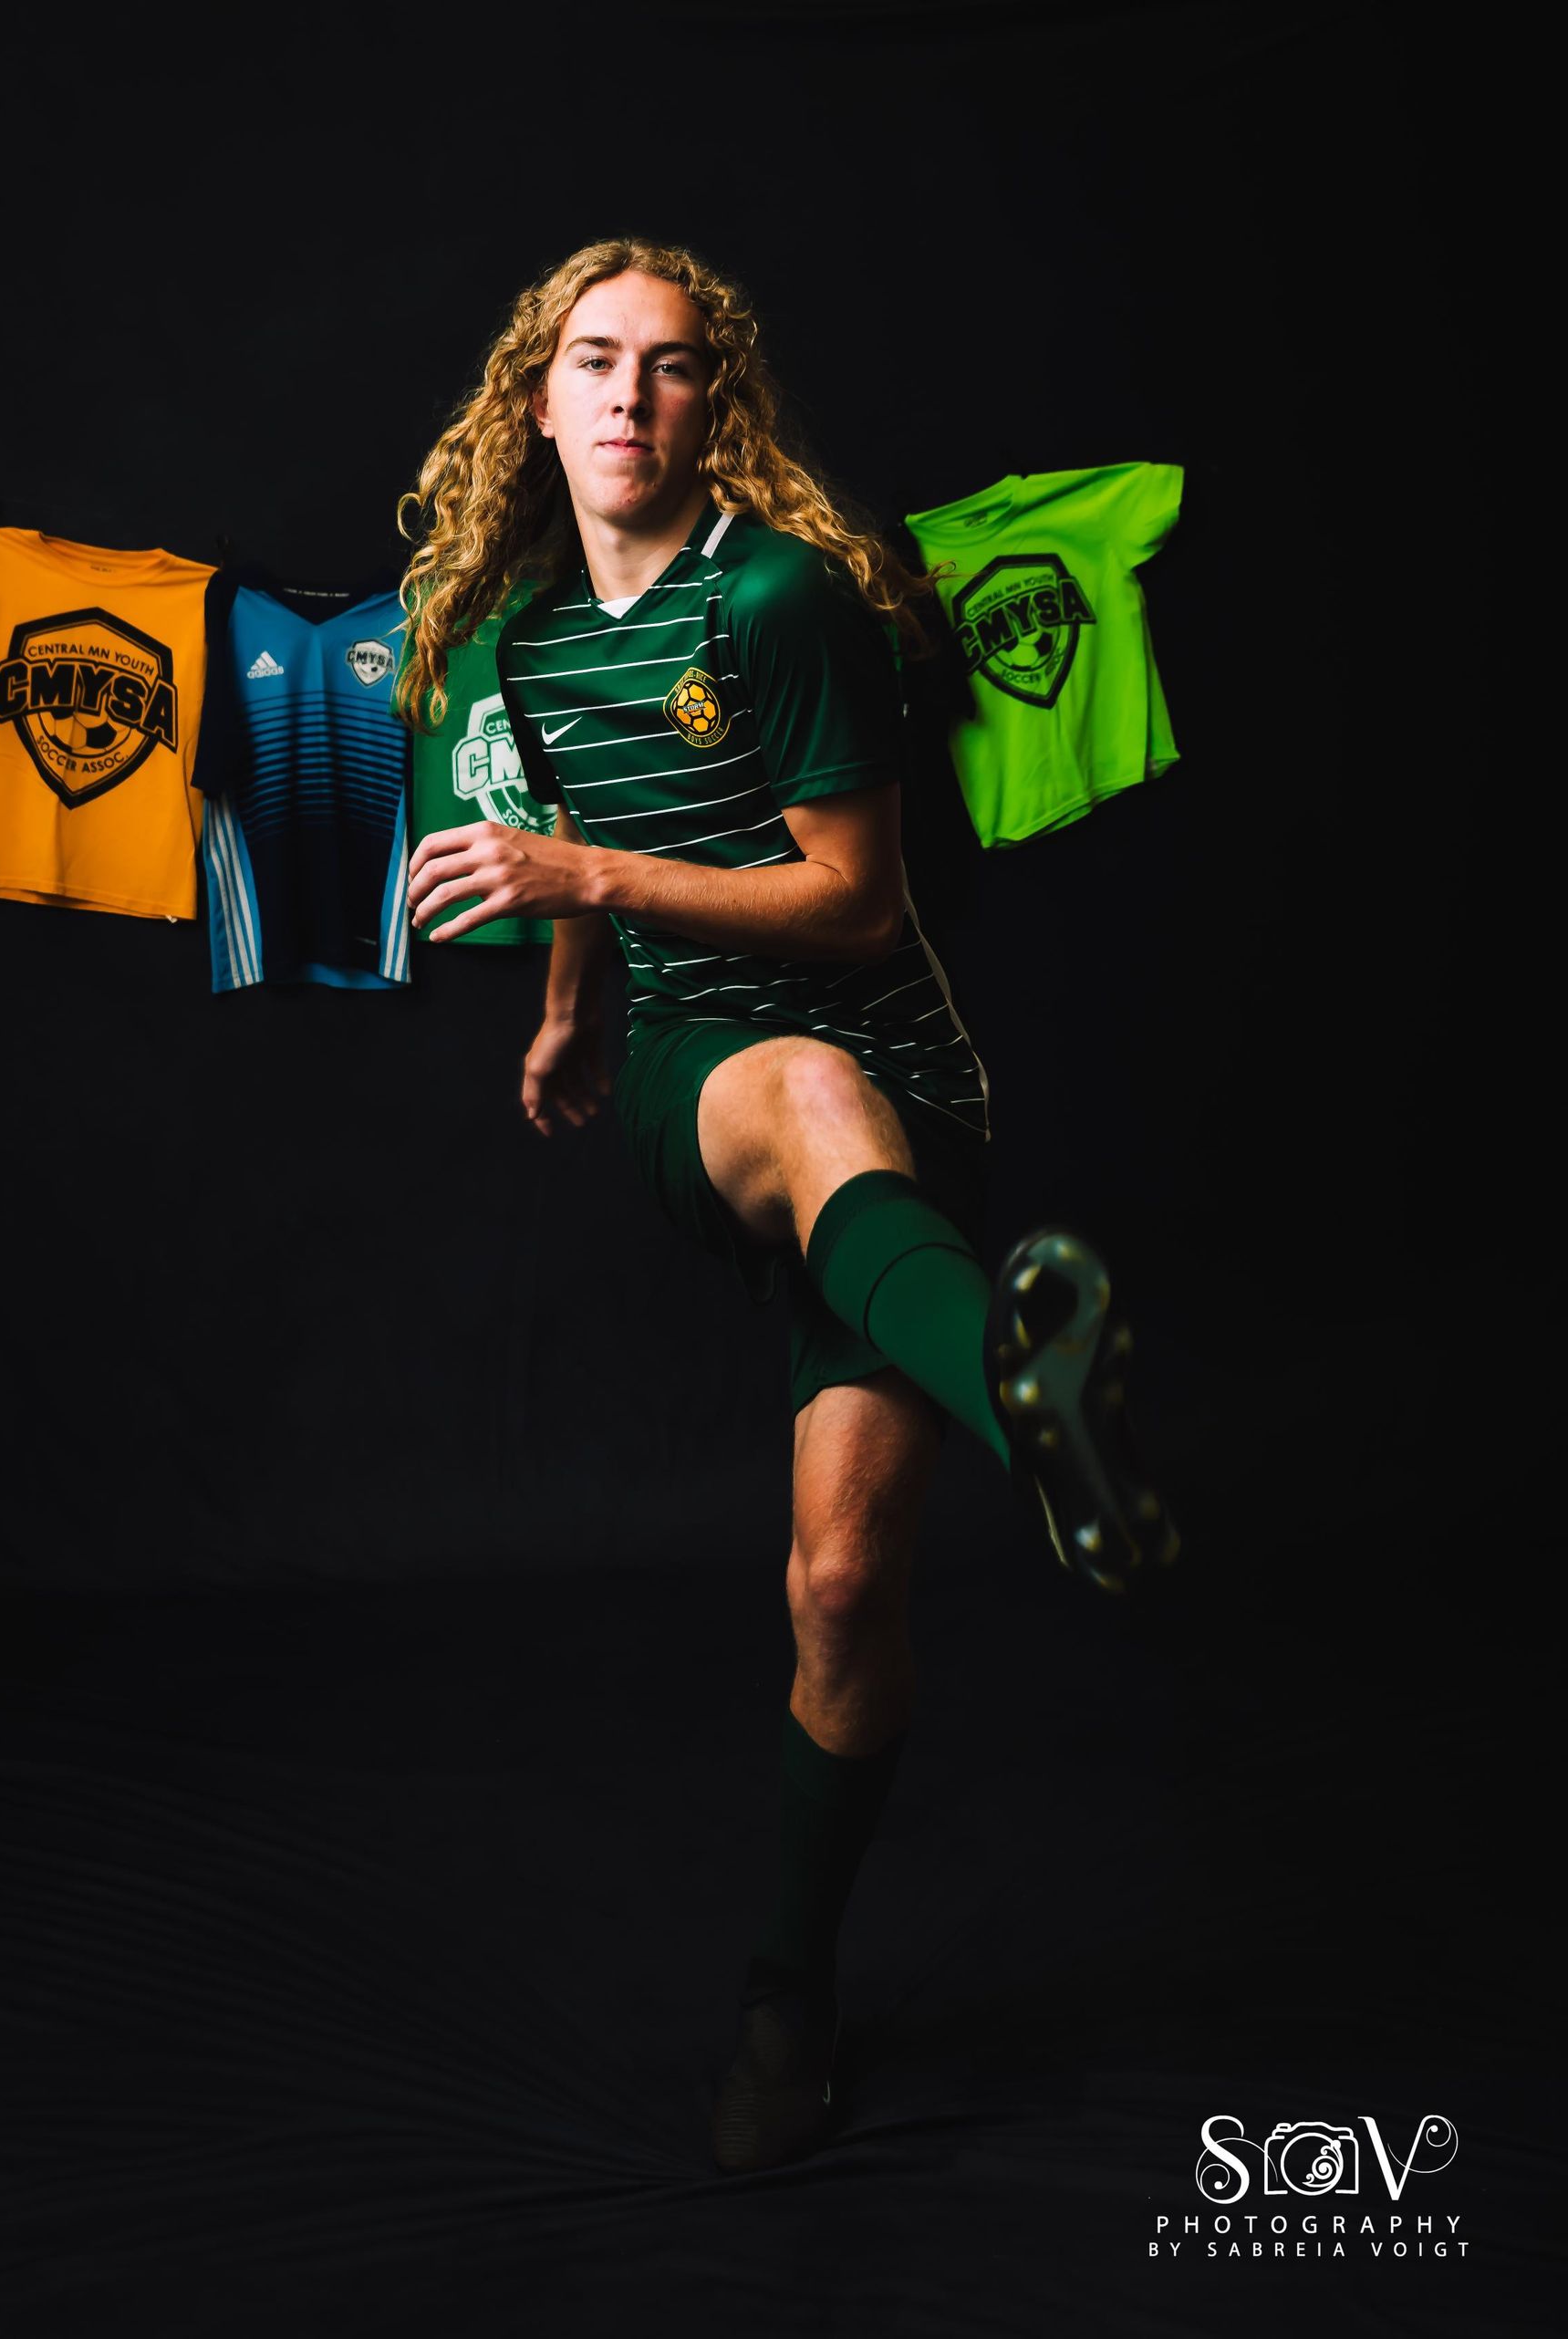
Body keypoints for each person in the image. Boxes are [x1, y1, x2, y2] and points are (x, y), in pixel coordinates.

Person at [397, 238, 1175, 2175]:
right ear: (539, 395)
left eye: (669, 368)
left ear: (708, 398)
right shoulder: (512, 637)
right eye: (595, 362)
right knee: (798, 1091)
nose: (630, 400)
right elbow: (598, 858)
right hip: (707, 1074)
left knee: (842, 1590)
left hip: (896, 1074)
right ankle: (1032, 1406)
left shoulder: (783, 595)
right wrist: (578, 1015)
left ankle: (788, 1993)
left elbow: (852, 902)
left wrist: (580, 883)